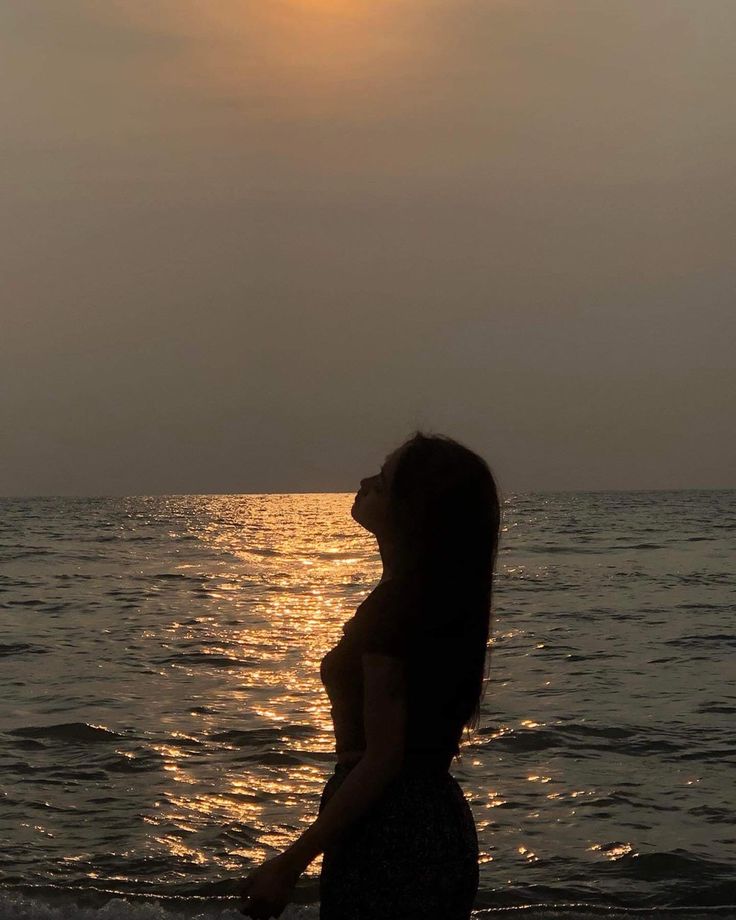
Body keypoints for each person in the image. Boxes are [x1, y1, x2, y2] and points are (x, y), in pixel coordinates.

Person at [238, 430, 502, 919]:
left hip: (391, 829)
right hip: (433, 820)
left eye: (382, 480)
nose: (363, 483)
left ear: (413, 507)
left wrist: (290, 863)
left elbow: (383, 760)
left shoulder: (397, 607)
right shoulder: (440, 600)